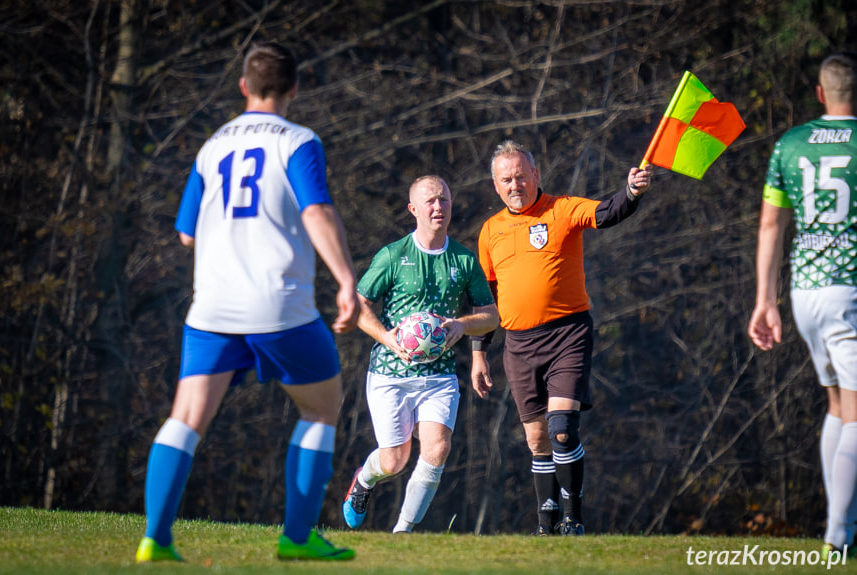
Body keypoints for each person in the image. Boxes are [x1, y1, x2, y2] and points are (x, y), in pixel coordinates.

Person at [135, 41, 360, 563]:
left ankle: (155, 538)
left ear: (243, 87)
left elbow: (186, 235)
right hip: (279, 305)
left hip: (211, 307)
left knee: (186, 417)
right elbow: (317, 212)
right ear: (294, 89)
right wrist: (346, 278)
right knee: (321, 408)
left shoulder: (212, 145)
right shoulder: (298, 140)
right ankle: (298, 538)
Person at [472, 140, 652, 536]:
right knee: (537, 440)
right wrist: (478, 355)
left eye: (521, 175)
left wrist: (632, 193)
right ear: (495, 185)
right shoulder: (490, 232)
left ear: (536, 174)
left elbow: (607, 212)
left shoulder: (562, 208)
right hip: (518, 346)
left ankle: (574, 520)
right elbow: (487, 299)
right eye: (506, 179)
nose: (515, 184)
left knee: (561, 429)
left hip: (567, 334)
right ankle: (546, 524)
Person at [342, 175, 499, 533]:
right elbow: (359, 306)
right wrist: (386, 337)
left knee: (437, 449)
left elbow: (491, 315)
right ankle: (363, 481)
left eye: (443, 199)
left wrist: (461, 325)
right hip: (389, 373)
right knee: (395, 460)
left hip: (439, 375)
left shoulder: (462, 258)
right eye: (429, 201)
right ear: (413, 209)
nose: (438, 207)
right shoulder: (393, 255)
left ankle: (404, 532)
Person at [748, 51, 857, 557]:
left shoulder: (790, 144)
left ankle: (842, 532)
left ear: (820, 93)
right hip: (849, 291)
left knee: (837, 404)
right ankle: (838, 539)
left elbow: (771, 224)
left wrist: (764, 301)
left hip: (805, 293)